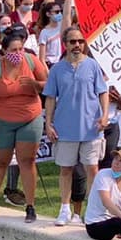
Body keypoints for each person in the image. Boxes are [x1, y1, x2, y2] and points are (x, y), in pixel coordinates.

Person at [44, 26, 109, 227]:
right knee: (66, 169)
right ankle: (64, 208)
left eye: (81, 41)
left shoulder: (92, 66)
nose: (77, 45)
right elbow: (50, 98)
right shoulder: (56, 69)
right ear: (66, 44)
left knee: (92, 169)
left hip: (91, 128)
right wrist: (48, 123)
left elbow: (103, 92)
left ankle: (92, 210)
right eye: (73, 42)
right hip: (65, 128)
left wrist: (105, 115)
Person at [0, 27, 47, 222]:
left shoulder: (31, 61)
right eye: (13, 50)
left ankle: (30, 205)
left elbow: (47, 84)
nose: (17, 54)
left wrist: (34, 85)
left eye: (20, 49)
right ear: (4, 51)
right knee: (0, 161)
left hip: (30, 118)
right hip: (3, 120)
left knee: (26, 162)